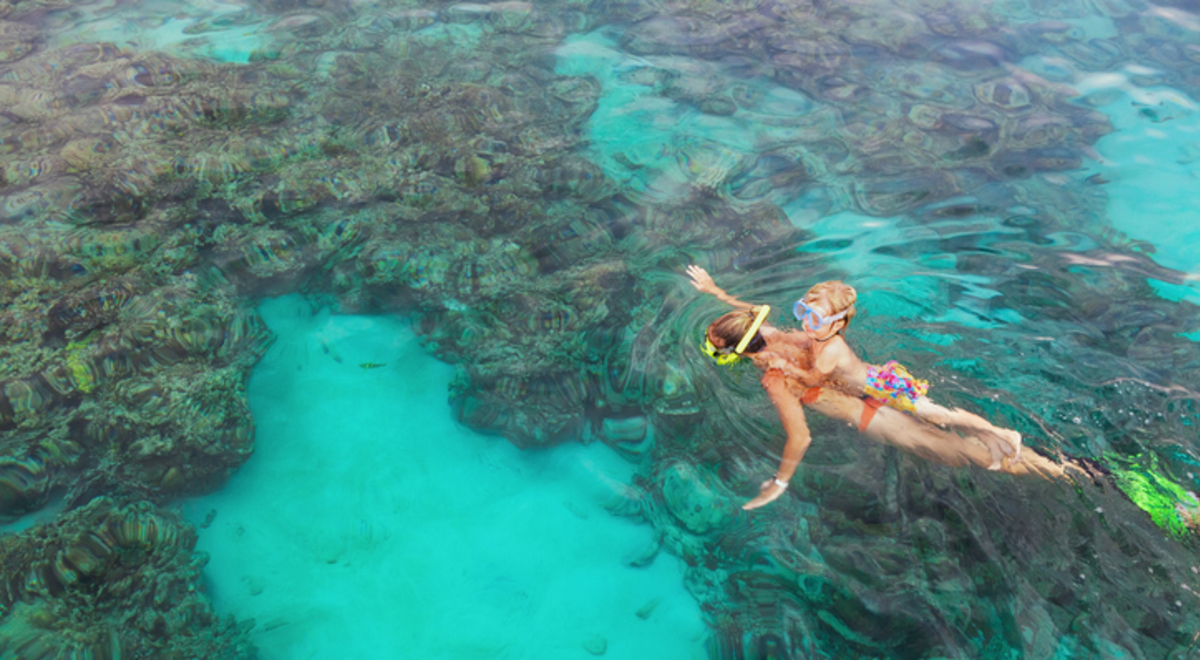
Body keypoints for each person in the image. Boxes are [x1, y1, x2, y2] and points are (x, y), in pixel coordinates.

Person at [686, 265, 1070, 510]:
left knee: (972, 455)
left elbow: (801, 439)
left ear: (735, 353)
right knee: (946, 423)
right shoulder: (777, 332)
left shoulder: (774, 378)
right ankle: (1061, 465)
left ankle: (1070, 473)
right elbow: (750, 310)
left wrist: (780, 482)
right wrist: (716, 291)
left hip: (873, 416)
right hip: (877, 389)